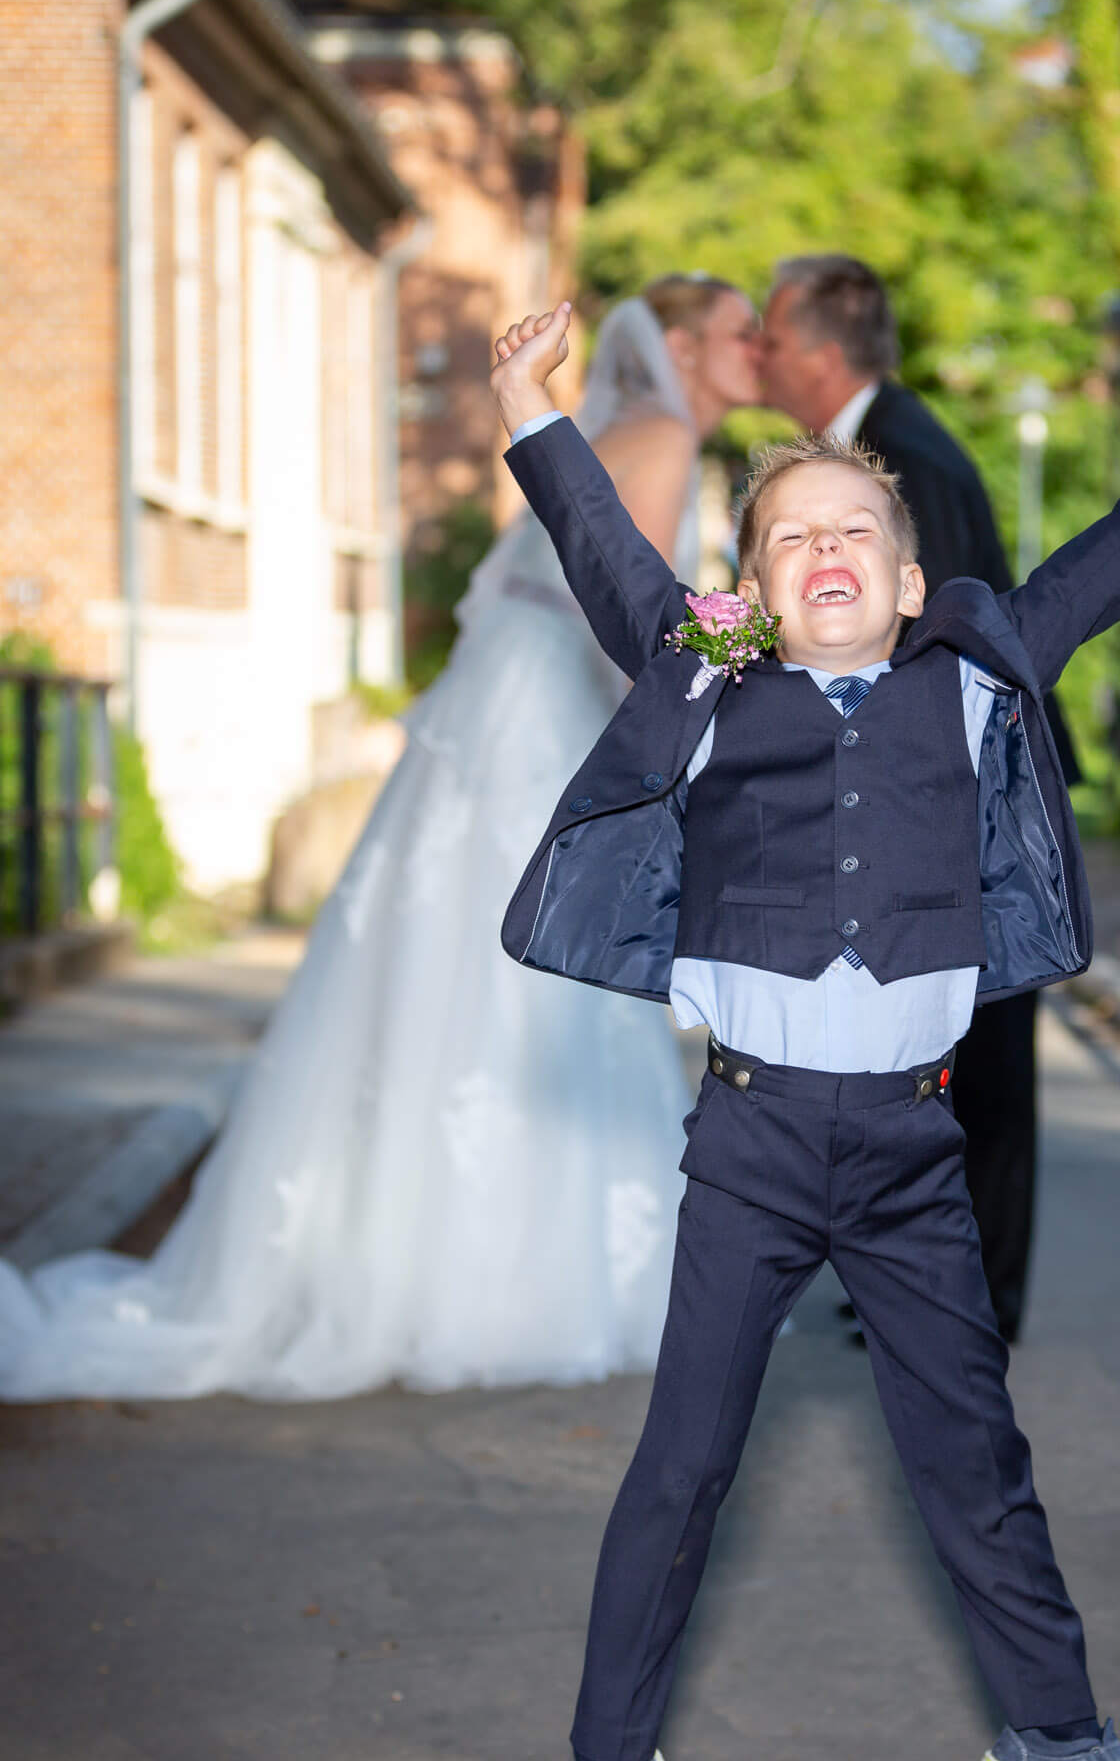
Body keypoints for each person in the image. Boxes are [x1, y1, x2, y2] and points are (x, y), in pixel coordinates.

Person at [490, 298, 1120, 1761]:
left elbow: (1102, 569)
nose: (829, 552)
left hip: (915, 1154)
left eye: (857, 530)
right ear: (752, 590)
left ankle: (1055, 1739)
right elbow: (604, 553)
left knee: (975, 1459)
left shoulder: (978, 673)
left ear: (913, 581)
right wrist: (527, 406)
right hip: (755, 1145)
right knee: (684, 1461)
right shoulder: (709, 677)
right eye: (792, 538)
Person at [0, 278, 762, 1403]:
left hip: (505, 703)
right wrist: (690, 743)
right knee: (540, 966)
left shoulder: (628, 428)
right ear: (686, 345)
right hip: (546, 717)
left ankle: (397, 1261)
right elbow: (625, 615)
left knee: (447, 965)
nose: (761, 350)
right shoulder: (660, 434)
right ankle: (505, 1278)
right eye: (745, 332)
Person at [761, 253, 1077, 1340]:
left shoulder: (908, 459)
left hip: (973, 806)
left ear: (818, 351)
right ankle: (919, 1287)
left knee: (980, 1069)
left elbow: (946, 645)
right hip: (934, 799)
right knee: (925, 1055)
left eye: (771, 337)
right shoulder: (878, 443)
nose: (759, 357)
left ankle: (972, 1307)